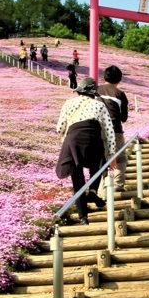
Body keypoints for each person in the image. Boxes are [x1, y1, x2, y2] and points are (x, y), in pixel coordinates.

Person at [56, 77, 116, 225]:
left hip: (73, 141)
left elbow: (60, 127)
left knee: (77, 180)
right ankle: (93, 192)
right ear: (93, 92)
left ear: (79, 91)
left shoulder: (69, 103)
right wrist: (112, 152)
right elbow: (109, 131)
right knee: (97, 166)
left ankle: (83, 217)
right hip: (92, 139)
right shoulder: (99, 105)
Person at [97, 65, 129, 191]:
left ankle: (101, 189)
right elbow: (123, 117)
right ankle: (118, 185)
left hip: (98, 130)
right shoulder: (120, 94)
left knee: (101, 159)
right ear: (119, 80)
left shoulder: (95, 90)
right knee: (120, 158)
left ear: (104, 76)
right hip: (115, 130)